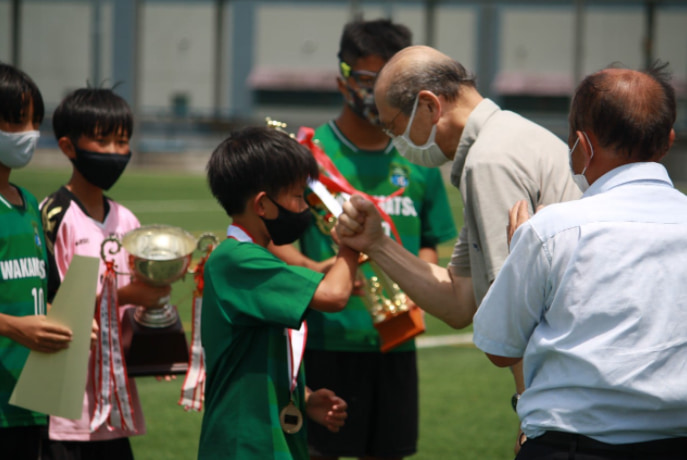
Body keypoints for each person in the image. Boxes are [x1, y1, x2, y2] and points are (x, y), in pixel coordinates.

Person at [336, 44, 582, 451]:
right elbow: (458, 300)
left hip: (568, 401)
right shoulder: (498, 142)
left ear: (429, 106)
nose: (395, 140)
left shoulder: (490, 160)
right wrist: (377, 244)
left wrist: (530, 414)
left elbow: (517, 316)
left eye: (392, 126)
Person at [472, 63, 687, 459]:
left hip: (571, 446)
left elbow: (500, 348)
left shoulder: (552, 229)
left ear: (581, 146)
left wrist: (519, 248)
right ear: (668, 139)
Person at [268, 19, 457, 460]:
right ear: (343, 80)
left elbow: (431, 239)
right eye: (370, 80)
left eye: (392, 82)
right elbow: (273, 238)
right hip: (324, 342)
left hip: (396, 342)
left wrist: (417, 289)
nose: (378, 93)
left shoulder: (420, 160)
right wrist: (313, 272)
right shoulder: (307, 154)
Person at [199, 126, 357, 460]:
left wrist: (306, 398)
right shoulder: (237, 259)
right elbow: (334, 296)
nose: (305, 209)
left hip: (265, 437)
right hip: (245, 443)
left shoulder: (252, 258)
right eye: (298, 197)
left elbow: (257, 355)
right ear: (262, 205)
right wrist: (353, 242)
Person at [40, 87, 170, 460]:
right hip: (64, 404)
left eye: (122, 141)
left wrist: (153, 342)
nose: (115, 152)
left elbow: (134, 310)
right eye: (102, 141)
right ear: (68, 146)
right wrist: (124, 295)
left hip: (113, 403)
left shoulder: (127, 220)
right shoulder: (53, 216)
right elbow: (54, 307)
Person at [0, 62, 73, 460]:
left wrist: (70, 323)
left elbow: (40, 294)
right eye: (15, 120)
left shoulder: (28, 203)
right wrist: (12, 327)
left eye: (34, 121)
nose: (28, 132)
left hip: (30, 404)